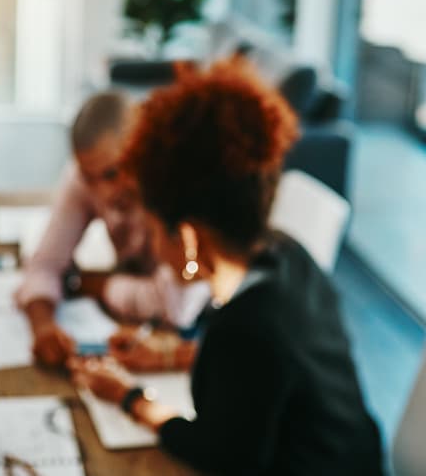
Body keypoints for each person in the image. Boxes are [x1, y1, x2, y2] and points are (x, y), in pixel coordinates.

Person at [70, 58, 383, 475]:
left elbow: (217, 453)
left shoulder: (244, 329)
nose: (153, 245)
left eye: (152, 224)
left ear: (187, 236)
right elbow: (266, 378)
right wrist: (169, 356)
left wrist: (130, 398)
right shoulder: (290, 256)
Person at [15, 91, 209, 367]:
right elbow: (44, 265)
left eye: (111, 174)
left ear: (141, 148)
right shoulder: (89, 172)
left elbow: (177, 306)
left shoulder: (176, 180)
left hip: (199, 334)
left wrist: (101, 286)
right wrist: (43, 327)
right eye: (89, 179)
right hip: (131, 328)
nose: (103, 194)